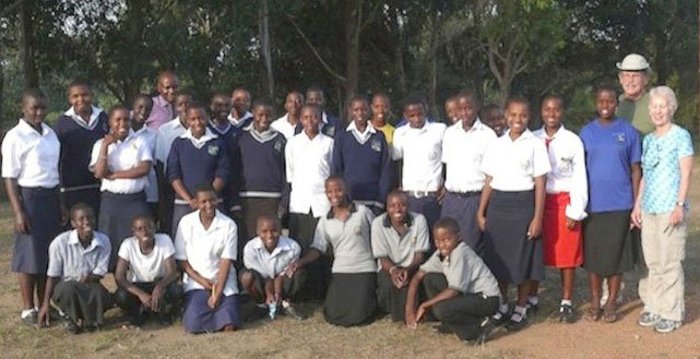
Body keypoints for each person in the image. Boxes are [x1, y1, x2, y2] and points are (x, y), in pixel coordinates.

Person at [477, 96, 550, 331]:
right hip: (498, 205)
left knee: (523, 259)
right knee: (499, 260)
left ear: (529, 117)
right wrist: (481, 211)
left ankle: (521, 307)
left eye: (523, 115)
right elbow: (489, 178)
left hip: (523, 205)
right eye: (513, 115)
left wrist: (537, 217)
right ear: (506, 115)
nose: (517, 119)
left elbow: (540, 182)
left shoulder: (535, 144)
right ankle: (502, 305)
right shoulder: (497, 144)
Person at [631, 86, 694, 333]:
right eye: (654, 107)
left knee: (670, 261)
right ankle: (654, 306)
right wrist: (638, 204)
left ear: (671, 108)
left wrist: (679, 204)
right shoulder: (648, 140)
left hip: (670, 208)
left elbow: (686, 172)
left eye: (662, 106)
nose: (658, 111)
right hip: (650, 208)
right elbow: (646, 175)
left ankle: (671, 312)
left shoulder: (680, 136)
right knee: (653, 262)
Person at [579, 85, 641, 323]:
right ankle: (595, 302)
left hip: (621, 204)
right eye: (601, 101)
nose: (606, 105)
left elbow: (636, 170)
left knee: (617, 257)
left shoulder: (629, 132)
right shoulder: (586, 132)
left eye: (611, 101)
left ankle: (612, 302)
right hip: (593, 205)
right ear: (596, 103)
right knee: (594, 257)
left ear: (617, 103)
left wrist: (636, 203)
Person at [2, 88, 63, 325]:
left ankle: (45, 304)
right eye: (33, 108)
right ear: (23, 108)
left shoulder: (50, 134)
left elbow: (55, 172)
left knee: (47, 254)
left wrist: (61, 203)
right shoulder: (15, 137)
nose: (39, 112)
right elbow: (9, 177)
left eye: (42, 108)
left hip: (51, 197)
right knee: (29, 255)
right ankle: (28, 309)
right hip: (30, 199)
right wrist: (18, 212)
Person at [287, 177, 377, 326]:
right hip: (340, 269)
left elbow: (377, 237)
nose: (334, 194)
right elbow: (318, 248)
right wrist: (299, 262)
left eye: (338, 190)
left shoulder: (363, 212)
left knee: (361, 313)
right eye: (329, 191)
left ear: (345, 190)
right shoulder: (325, 220)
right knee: (333, 313)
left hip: (364, 268)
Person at [532, 96, 588, 323]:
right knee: (535, 251)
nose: (551, 113)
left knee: (567, 252)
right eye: (547, 109)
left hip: (563, 200)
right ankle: (532, 297)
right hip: (538, 201)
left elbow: (579, 177)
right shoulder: (533, 138)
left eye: (556, 109)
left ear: (562, 112)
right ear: (541, 111)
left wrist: (576, 209)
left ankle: (566, 300)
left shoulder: (572, 140)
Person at [405, 217, 500, 344]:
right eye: (437, 240)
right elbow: (418, 276)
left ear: (459, 237)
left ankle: (476, 329)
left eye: (446, 239)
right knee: (430, 278)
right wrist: (409, 308)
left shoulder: (460, 252)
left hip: (487, 299)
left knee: (440, 309)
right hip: (469, 296)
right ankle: (451, 324)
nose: (441, 244)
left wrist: (425, 304)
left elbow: (454, 291)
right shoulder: (441, 253)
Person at [90, 105, 153, 271]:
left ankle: (139, 282)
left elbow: (144, 168)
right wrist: (105, 146)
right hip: (112, 202)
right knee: (112, 244)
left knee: (138, 242)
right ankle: (120, 286)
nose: (122, 123)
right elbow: (99, 172)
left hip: (135, 200)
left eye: (126, 119)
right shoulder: (100, 144)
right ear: (110, 122)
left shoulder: (140, 141)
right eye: (117, 120)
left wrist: (116, 175)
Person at [175, 185, 241, 333]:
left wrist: (218, 292)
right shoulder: (186, 223)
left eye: (212, 200)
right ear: (197, 203)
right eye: (204, 201)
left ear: (217, 200)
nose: (208, 205)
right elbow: (182, 260)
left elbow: (226, 260)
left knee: (229, 326)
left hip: (223, 282)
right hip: (197, 282)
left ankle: (231, 310)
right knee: (194, 326)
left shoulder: (228, 225)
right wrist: (201, 280)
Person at [37, 204, 112, 333]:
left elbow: (100, 273)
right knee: (69, 288)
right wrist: (45, 304)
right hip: (66, 286)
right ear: (73, 223)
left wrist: (87, 278)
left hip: (89, 283)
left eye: (90, 218)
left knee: (100, 293)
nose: (87, 222)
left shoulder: (103, 240)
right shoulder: (60, 242)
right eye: (81, 219)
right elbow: (52, 276)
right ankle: (69, 317)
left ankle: (90, 319)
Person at [440, 91, 497, 255]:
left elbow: (490, 176)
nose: (464, 113)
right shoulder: (450, 133)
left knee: (470, 249)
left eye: (468, 108)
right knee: (448, 246)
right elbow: (447, 166)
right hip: (451, 200)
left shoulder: (487, 135)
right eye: (460, 109)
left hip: (474, 200)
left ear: (477, 108)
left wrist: (482, 207)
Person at [230, 100, 288, 248]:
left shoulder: (280, 139)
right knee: (248, 241)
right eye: (260, 114)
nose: (264, 118)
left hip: (272, 199)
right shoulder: (241, 138)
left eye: (268, 115)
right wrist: (235, 202)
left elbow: (287, 173)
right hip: (247, 200)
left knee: (270, 240)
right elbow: (234, 172)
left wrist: (283, 202)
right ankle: (248, 272)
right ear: (253, 114)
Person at [167, 104, 231, 234]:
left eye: (201, 118)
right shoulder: (178, 143)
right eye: (193, 119)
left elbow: (223, 173)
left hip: (211, 203)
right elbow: (174, 175)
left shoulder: (218, 142)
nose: (198, 122)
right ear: (188, 121)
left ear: (206, 118)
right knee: (183, 241)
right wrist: (190, 200)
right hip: (184, 203)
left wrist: (206, 198)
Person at [372, 191, 430, 322]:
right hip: (389, 267)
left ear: (408, 206)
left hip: (413, 266)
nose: (397, 209)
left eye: (402, 205)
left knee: (413, 283)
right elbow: (382, 257)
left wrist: (408, 270)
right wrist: (394, 271)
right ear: (386, 208)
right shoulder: (377, 224)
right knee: (388, 286)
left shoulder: (419, 220)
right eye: (392, 205)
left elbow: (419, 255)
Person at [114, 215, 182, 326]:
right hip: (138, 285)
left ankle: (163, 311)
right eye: (139, 229)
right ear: (134, 232)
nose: (145, 232)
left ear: (155, 227)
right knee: (121, 296)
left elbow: (172, 272)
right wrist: (141, 294)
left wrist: (159, 287)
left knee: (176, 290)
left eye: (148, 227)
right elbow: (119, 277)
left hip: (159, 282)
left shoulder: (164, 240)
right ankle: (138, 311)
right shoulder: (127, 244)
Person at [54, 80, 109, 218]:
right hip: (72, 188)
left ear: (92, 95)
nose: (81, 99)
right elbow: (57, 159)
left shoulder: (104, 118)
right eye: (75, 96)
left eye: (85, 95)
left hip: (101, 185)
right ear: (69, 99)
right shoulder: (62, 124)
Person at [285, 104, 334, 253]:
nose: (310, 121)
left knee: (322, 245)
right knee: (299, 245)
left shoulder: (329, 143)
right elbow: (290, 173)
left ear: (320, 119)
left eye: (314, 117)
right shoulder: (293, 143)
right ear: (300, 119)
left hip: (322, 203)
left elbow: (332, 171)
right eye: (306, 117)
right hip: (299, 203)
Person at [392, 95, 446, 230]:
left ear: (425, 111)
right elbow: (397, 161)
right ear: (405, 116)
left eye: (420, 114)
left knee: (435, 237)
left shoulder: (439, 129)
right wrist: (399, 186)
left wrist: (446, 184)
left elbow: (448, 160)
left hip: (433, 197)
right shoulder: (400, 133)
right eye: (412, 116)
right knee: (412, 238)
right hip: (410, 198)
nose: (416, 119)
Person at [331, 96, 392, 214]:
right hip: (349, 201)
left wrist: (381, 200)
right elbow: (337, 169)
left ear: (369, 110)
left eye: (364, 109)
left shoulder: (379, 136)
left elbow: (385, 170)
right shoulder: (342, 137)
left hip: (374, 201)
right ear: (350, 111)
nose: (360, 113)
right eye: (356, 109)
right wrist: (342, 199)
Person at [239, 215, 306, 320]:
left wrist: (277, 293)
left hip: (282, 283)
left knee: (299, 273)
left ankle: (284, 303)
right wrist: (269, 293)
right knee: (247, 277)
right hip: (262, 284)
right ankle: (261, 304)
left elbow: (282, 276)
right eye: (264, 231)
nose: (269, 235)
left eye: (274, 231)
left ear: (280, 230)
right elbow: (265, 277)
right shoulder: (250, 248)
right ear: (257, 231)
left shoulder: (293, 247)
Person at [154, 91, 192, 234]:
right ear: (175, 108)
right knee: (175, 229)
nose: (185, 108)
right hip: (172, 188)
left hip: (197, 186)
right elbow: (160, 165)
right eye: (180, 104)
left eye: (188, 103)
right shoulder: (165, 130)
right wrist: (161, 198)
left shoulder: (205, 128)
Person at [131, 94, 159, 216]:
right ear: (133, 107)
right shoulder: (119, 132)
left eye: (148, 109)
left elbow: (157, 165)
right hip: (127, 190)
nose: (143, 112)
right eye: (140, 107)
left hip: (149, 192)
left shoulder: (153, 135)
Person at [617, 53, 654, 135]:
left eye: (635, 76)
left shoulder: (655, 104)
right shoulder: (614, 105)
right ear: (620, 79)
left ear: (646, 79)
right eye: (627, 76)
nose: (630, 80)